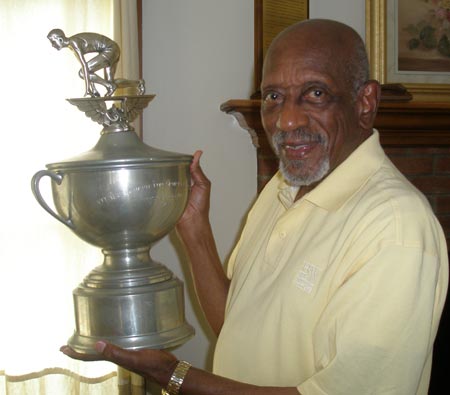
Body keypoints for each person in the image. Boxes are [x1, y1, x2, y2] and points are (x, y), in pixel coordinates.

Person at [61, 19, 448, 395]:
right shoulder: (283, 188)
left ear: (365, 103)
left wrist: (174, 375)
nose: (286, 120)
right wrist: (194, 230)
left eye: (315, 94)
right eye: (273, 97)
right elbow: (236, 323)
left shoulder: (396, 229)